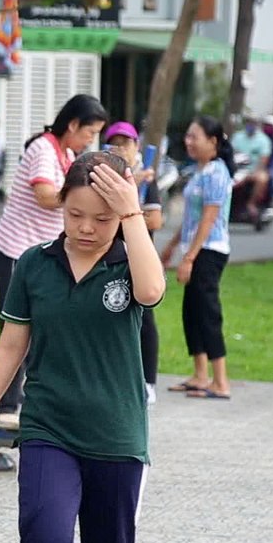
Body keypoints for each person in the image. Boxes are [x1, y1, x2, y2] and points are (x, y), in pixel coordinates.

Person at [0, 151, 164, 543]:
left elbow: (153, 289)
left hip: (117, 436)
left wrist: (132, 215)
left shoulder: (129, 260)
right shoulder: (36, 264)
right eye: (75, 215)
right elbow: (11, 346)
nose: (86, 229)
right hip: (48, 428)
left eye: (102, 218)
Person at [0, 95, 108, 429]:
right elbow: (44, 195)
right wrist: (83, 197)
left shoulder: (65, 153)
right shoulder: (42, 149)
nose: (90, 141)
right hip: (14, 251)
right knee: (17, 327)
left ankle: (17, 396)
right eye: (89, 132)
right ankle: (4, 405)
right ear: (72, 125)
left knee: (38, 325)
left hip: (36, 253)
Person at [162, 115, 234, 401]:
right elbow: (191, 218)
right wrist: (172, 246)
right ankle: (200, 375)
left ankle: (220, 381)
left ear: (213, 142)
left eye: (195, 137)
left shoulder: (217, 173)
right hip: (195, 248)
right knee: (191, 312)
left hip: (210, 250)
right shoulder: (199, 171)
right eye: (188, 136)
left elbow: (209, 218)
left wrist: (189, 257)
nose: (188, 142)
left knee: (207, 313)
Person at [104, 121, 164, 405]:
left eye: (125, 143)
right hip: (108, 255)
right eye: (113, 142)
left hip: (138, 255)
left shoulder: (146, 178)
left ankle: (148, 381)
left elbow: (156, 220)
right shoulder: (104, 174)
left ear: (136, 146)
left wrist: (131, 200)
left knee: (144, 315)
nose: (119, 148)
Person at [231, 114, 272, 221]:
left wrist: (254, 172)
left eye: (253, 123)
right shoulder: (237, 137)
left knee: (263, 178)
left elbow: (263, 159)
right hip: (238, 170)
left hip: (255, 171)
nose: (250, 125)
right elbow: (232, 153)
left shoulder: (263, 140)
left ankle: (251, 204)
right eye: (249, 123)